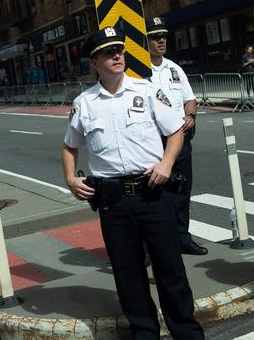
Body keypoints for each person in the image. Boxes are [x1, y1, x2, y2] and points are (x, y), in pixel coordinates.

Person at [62, 27, 204, 340]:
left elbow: (176, 131)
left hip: (152, 195)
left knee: (170, 270)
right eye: (108, 53)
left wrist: (167, 163)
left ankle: (186, 332)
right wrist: (71, 178)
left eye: (120, 51)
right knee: (128, 274)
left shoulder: (148, 90)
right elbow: (70, 144)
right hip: (113, 202)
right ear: (94, 63)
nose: (117, 56)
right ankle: (144, 331)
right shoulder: (84, 103)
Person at [146, 16, 207, 255]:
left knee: (182, 190)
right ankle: (154, 245)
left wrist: (191, 116)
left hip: (180, 138)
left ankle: (182, 237)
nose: (161, 40)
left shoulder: (174, 69)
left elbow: (189, 99)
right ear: (145, 40)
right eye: (155, 37)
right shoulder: (137, 71)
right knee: (153, 193)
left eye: (163, 36)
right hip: (154, 141)